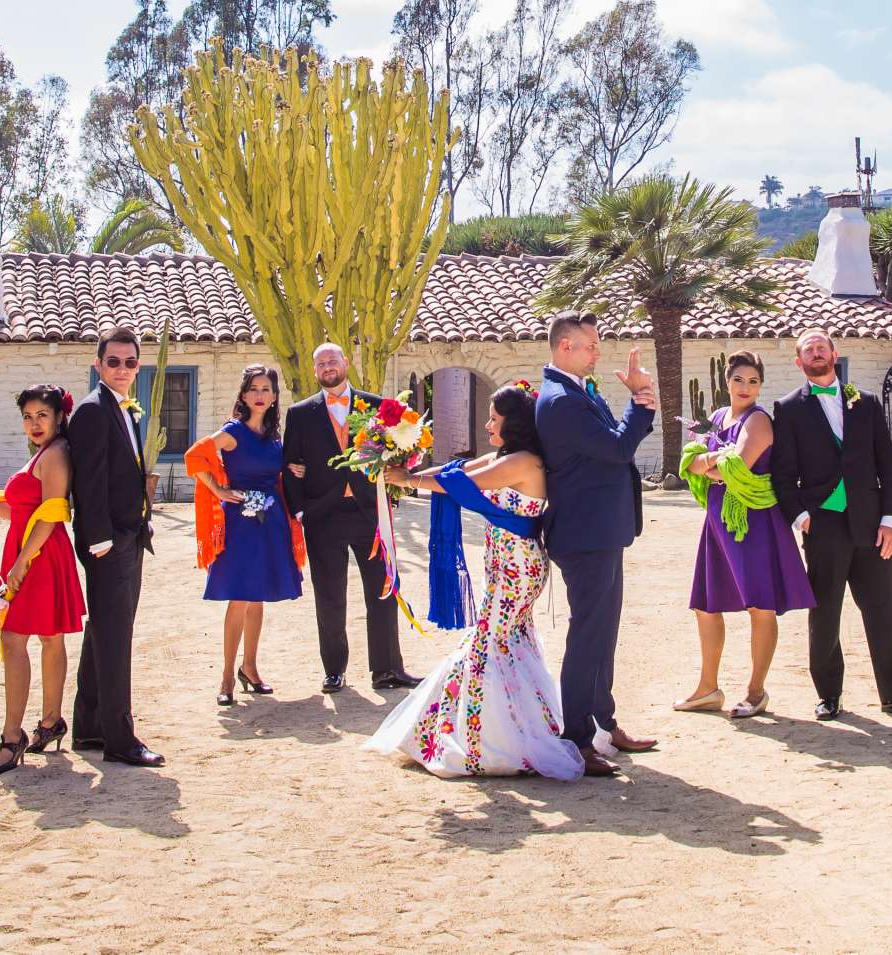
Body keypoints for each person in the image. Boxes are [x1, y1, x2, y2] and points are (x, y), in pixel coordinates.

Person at [366, 382, 582, 780]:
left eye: (494, 419)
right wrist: (406, 473)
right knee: (506, 641)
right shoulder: (510, 457)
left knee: (490, 642)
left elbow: (463, 484)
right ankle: (510, 728)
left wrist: (409, 481)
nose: (487, 424)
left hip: (517, 567)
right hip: (505, 563)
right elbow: (458, 471)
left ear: (512, 424)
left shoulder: (523, 462)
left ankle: (492, 739)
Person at [769, 330, 892, 721]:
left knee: (882, 609)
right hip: (823, 524)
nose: (816, 353)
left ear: (833, 353)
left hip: (871, 523)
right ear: (799, 362)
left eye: (821, 347)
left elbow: (887, 464)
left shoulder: (867, 403)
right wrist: (800, 516)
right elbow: (783, 472)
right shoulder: (788, 408)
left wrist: (890, 519)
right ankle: (829, 694)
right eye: (808, 350)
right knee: (825, 611)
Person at [534, 311, 659, 777]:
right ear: (565, 346)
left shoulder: (577, 392)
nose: (597, 353)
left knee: (603, 634)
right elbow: (618, 448)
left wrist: (638, 404)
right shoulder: (560, 400)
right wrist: (642, 400)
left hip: (603, 529)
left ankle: (605, 725)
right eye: (590, 346)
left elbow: (616, 443)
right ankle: (578, 740)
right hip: (584, 533)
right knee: (587, 637)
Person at [673, 349, 813, 720]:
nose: (745, 387)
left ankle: (756, 691)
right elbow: (695, 460)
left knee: (759, 605)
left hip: (753, 522)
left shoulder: (759, 421)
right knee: (705, 604)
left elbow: (731, 469)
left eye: (753, 381)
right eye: (738, 379)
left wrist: (705, 461)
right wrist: (709, 461)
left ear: (760, 386)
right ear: (726, 381)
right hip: (718, 521)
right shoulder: (719, 417)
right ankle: (708, 688)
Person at [0, 385, 87, 777]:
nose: (34, 423)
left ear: (59, 417)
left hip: (40, 555)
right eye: (28, 416)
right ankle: (50, 722)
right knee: (45, 639)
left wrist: (21, 563)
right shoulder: (43, 455)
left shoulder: (57, 454)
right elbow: (19, 512)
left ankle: (13, 737)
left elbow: (51, 513)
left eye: (41, 415)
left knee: (16, 638)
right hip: (30, 549)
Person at [280, 342, 417, 695]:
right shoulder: (299, 414)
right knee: (329, 595)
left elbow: (401, 450)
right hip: (322, 515)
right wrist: (300, 511)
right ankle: (334, 671)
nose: (327, 366)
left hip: (368, 512)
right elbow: (289, 465)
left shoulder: (374, 406)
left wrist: (395, 486)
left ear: (345, 363)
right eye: (320, 362)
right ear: (315, 371)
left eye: (332, 360)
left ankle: (387, 669)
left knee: (382, 590)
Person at [69, 325, 164, 768]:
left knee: (104, 633)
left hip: (129, 536)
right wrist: (101, 540)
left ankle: (88, 726)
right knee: (116, 638)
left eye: (129, 362)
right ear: (98, 364)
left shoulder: (124, 408)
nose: (122, 369)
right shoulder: (91, 411)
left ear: (137, 366)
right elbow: (88, 482)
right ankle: (121, 739)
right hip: (108, 544)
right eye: (113, 362)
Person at [185, 365, 305, 706]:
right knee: (238, 597)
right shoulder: (233, 431)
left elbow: (278, 473)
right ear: (243, 394)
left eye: (267, 389)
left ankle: (249, 668)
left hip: (271, 524)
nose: (260, 395)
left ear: (274, 396)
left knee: (258, 598)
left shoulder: (274, 437)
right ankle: (226, 678)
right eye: (254, 388)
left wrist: (291, 468)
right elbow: (194, 457)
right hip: (240, 524)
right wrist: (219, 491)